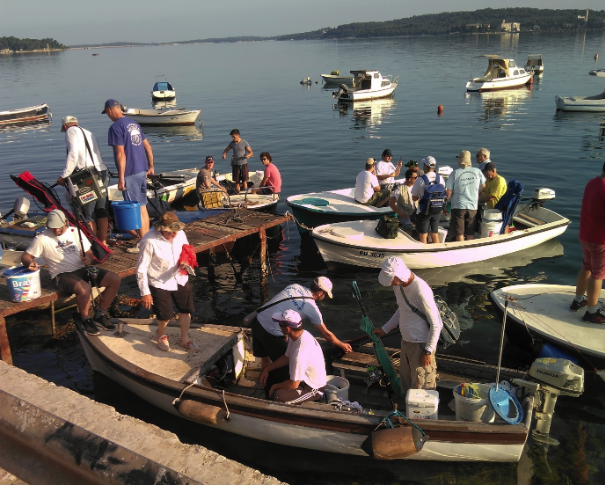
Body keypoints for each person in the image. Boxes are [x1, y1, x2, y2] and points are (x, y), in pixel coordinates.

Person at [21, 209, 121, 336]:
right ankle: (85, 319)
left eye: (59, 227)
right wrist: (29, 263)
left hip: (83, 269)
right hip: (61, 274)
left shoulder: (75, 232)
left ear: (66, 223)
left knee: (114, 279)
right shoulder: (41, 238)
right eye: (53, 228)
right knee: (84, 289)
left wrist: (89, 258)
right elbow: (25, 256)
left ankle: (100, 314)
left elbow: (89, 252)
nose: (56, 231)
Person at [251, 277, 352, 384]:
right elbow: (326, 334)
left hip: (257, 322)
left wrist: (285, 334)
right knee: (285, 368)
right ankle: (274, 389)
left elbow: (281, 307)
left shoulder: (294, 286)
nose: (324, 297)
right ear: (319, 293)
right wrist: (341, 344)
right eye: (325, 295)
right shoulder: (312, 309)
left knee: (265, 358)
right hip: (271, 332)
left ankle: (263, 382)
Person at [372, 257, 442, 394]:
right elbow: (402, 309)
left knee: (422, 384)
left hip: (421, 344)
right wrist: (385, 329)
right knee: (406, 380)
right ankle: (407, 409)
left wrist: (428, 351)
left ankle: (420, 414)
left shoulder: (421, 291)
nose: (391, 283)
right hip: (406, 341)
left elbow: (437, 324)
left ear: (399, 275)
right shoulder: (398, 286)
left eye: (392, 279)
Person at [136, 212, 200, 351]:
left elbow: (187, 251)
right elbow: (141, 268)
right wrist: (145, 292)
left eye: (176, 230)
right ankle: (161, 334)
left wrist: (185, 261)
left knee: (186, 309)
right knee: (165, 315)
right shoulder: (149, 240)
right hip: (159, 281)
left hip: (180, 277)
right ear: (162, 229)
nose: (174, 234)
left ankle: (184, 339)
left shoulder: (180, 234)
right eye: (171, 232)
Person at [102, 99, 155, 243]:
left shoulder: (115, 128)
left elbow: (121, 154)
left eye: (107, 113)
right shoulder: (134, 124)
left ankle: (143, 243)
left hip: (130, 172)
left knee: (135, 209)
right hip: (142, 171)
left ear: (110, 111)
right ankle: (146, 240)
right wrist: (151, 167)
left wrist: (120, 178)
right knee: (142, 207)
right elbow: (148, 147)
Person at [57, 115, 110, 245]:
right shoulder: (88, 132)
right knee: (101, 210)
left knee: (89, 213)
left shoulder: (70, 131)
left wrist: (64, 175)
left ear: (65, 126)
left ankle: (94, 245)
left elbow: (73, 154)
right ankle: (103, 242)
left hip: (87, 176)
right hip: (102, 171)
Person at [259, 310, 327, 404]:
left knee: (278, 396)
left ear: (287, 328)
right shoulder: (298, 336)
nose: (279, 327)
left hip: (312, 389)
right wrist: (267, 368)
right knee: (272, 374)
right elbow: (286, 357)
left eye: (280, 325)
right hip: (302, 381)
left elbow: (293, 385)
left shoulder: (300, 353)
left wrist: (275, 387)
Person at [570, 162, 605, 323]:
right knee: (598, 274)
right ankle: (592, 311)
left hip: (585, 235)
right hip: (600, 240)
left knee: (586, 266)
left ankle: (578, 300)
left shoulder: (592, 183)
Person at [445, 151, 485, 241]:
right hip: (473, 206)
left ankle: (461, 252)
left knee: (459, 233)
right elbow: (483, 186)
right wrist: (475, 194)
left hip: (458, 206)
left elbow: (448, 192)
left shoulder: (455, 173)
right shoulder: (477, 171)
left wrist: (445, 205)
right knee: (470, 232)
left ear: (460, 160)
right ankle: (471, 251)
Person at [411, 156, 445, 244]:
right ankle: (437, 252)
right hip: (437, 209)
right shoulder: (440, 178)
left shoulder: (421, 180)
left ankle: (424, 255)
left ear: (425, 166)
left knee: (423, 235)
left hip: (424, 211)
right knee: (434, 233)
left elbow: (414, 197)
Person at [222, 129, 253, 194]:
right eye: (232, 137)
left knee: (244, 180)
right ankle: (237, 193)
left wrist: (248, 155)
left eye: (234, 137)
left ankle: (246, 193)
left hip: (244, 164)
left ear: (238, 135)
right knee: (237, 181)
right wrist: (224, 155)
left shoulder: (244, 142)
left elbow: (251, 152)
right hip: (235, 164)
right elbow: (226, 150)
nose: (233, 138)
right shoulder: (232, 143)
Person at [389, 168, 418, 233]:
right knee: (408, 227)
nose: (417, 179)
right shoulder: (399, 189)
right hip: (405, 213)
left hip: (415, 213)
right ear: (410, 179)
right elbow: (391, 203)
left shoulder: (417, 187)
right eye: (415, 177)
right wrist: (401, 214)